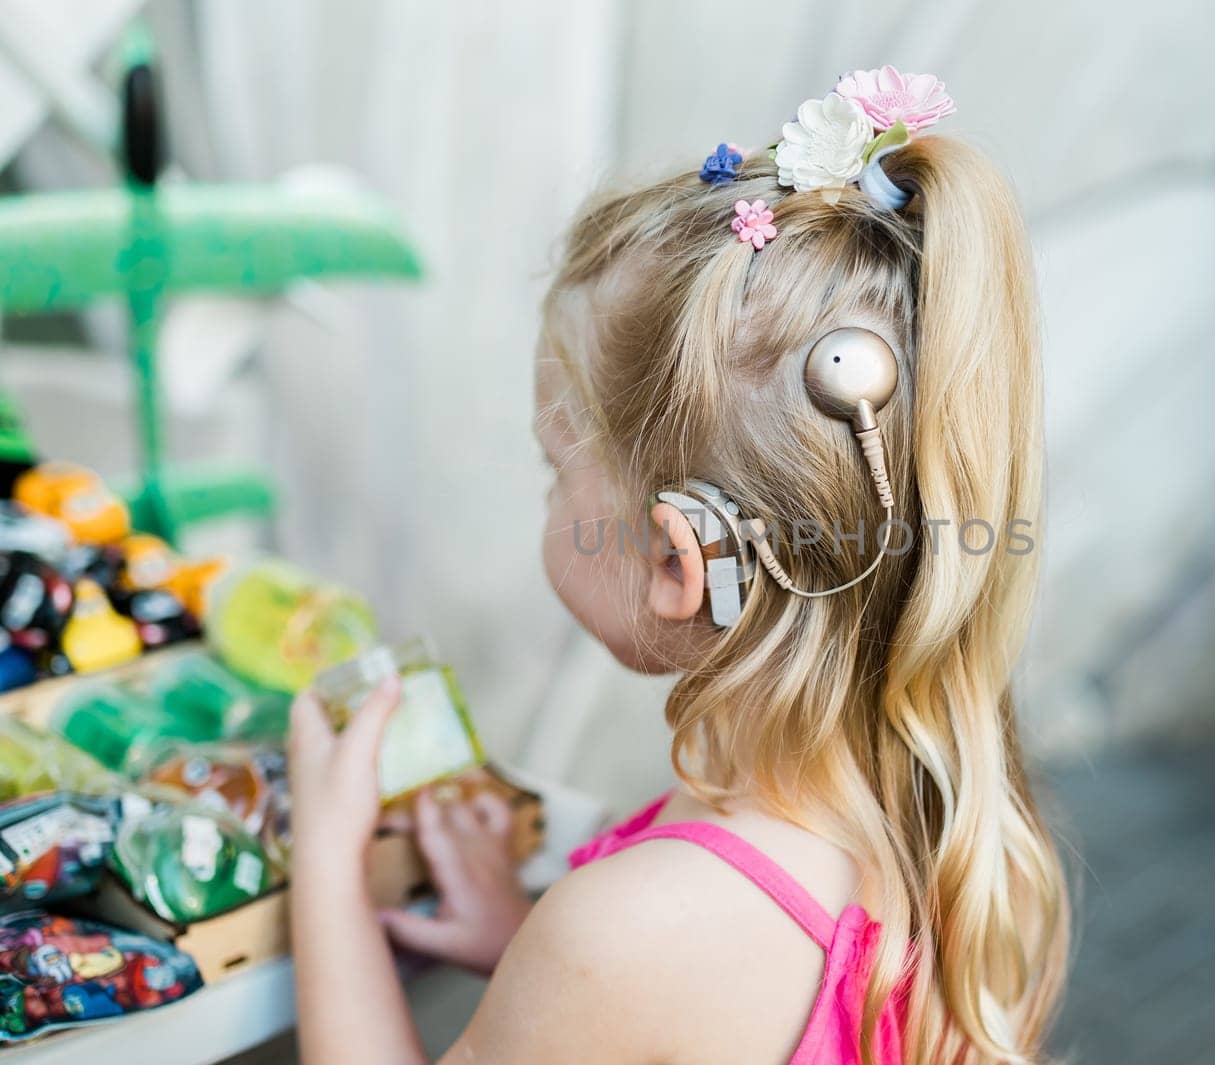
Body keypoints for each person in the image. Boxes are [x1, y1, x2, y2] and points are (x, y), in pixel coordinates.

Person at [289, 65, 1068, 1065]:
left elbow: (648, 977)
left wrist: (324, 872)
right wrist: (523, 954)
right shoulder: (950, 825)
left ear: (673, 561)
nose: (548, 493)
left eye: (552, 470)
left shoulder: (635, 930)